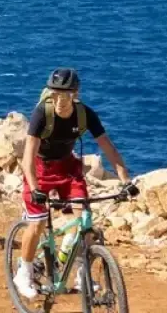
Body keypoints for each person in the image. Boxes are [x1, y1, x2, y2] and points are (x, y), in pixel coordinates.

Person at [13, 67, 137, 299]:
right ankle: (24, 271)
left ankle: (83, 274)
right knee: (37, 223)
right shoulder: (42, 113)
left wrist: (125, 180)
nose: (60, 100)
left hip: (68, 168)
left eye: (66, 94)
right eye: (56, 93)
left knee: (85, 221)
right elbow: (29, 155)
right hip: (40, 169)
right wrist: (35, 187)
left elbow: (108, 147)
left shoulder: (85, 114)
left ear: (76, 94)